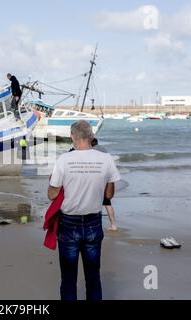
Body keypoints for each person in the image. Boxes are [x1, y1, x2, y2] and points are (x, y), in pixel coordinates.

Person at [48, 120, 121, 301]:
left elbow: (52, 194)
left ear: (72, 136)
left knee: (68, 278)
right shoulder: (106, 159)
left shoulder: (64, 160)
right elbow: (109, 194)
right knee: (93, 276)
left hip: (69, 224)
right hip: (93, 223)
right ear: (91, 136)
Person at [91, 138, 118, 231]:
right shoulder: (103, 149)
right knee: (107, 202)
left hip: (98, 177)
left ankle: (93, 225)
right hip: (107, 176)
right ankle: (114, 225)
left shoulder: (92, 151)